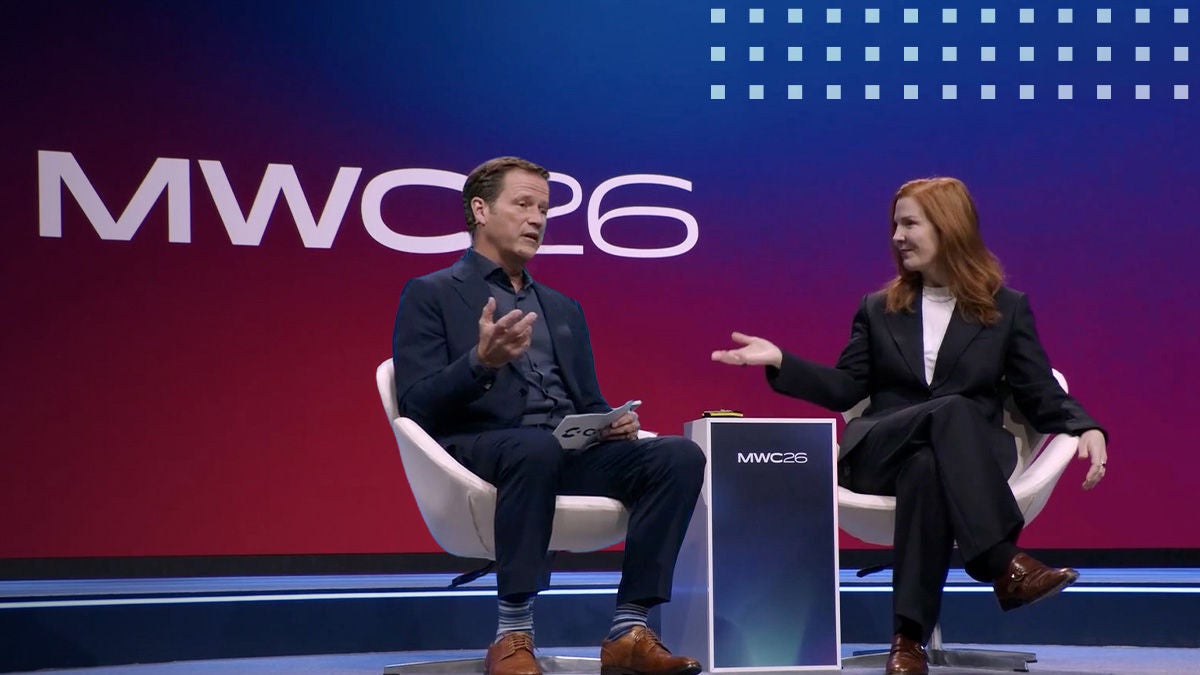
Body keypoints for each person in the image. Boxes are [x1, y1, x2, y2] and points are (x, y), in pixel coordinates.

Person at [711, 177, 1108, 675]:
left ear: (949, 228)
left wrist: (1085, 426)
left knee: (928, 463)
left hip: (966, 457)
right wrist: (780, 362)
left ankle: (908, 639)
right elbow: (845, 389)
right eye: (895, 224)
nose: (897, 236)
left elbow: (1038, 391)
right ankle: (1002, 562)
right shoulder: (878, 309)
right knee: (951, 411)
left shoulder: (1007, 309)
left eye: (909, 223)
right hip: (881, 447)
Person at [392, 157, 706, 675]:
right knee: (533, 447)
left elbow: (586, 401)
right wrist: (480, 363)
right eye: (522, 204)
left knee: (676, 456)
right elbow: (417, 406)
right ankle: (512, 634)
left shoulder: (562, 307)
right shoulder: (432, 294)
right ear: (480, 210)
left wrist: (609, 421)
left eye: (544, 208)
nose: (537, 218)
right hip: (482, 450)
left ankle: (629, 628)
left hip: (562, 451)